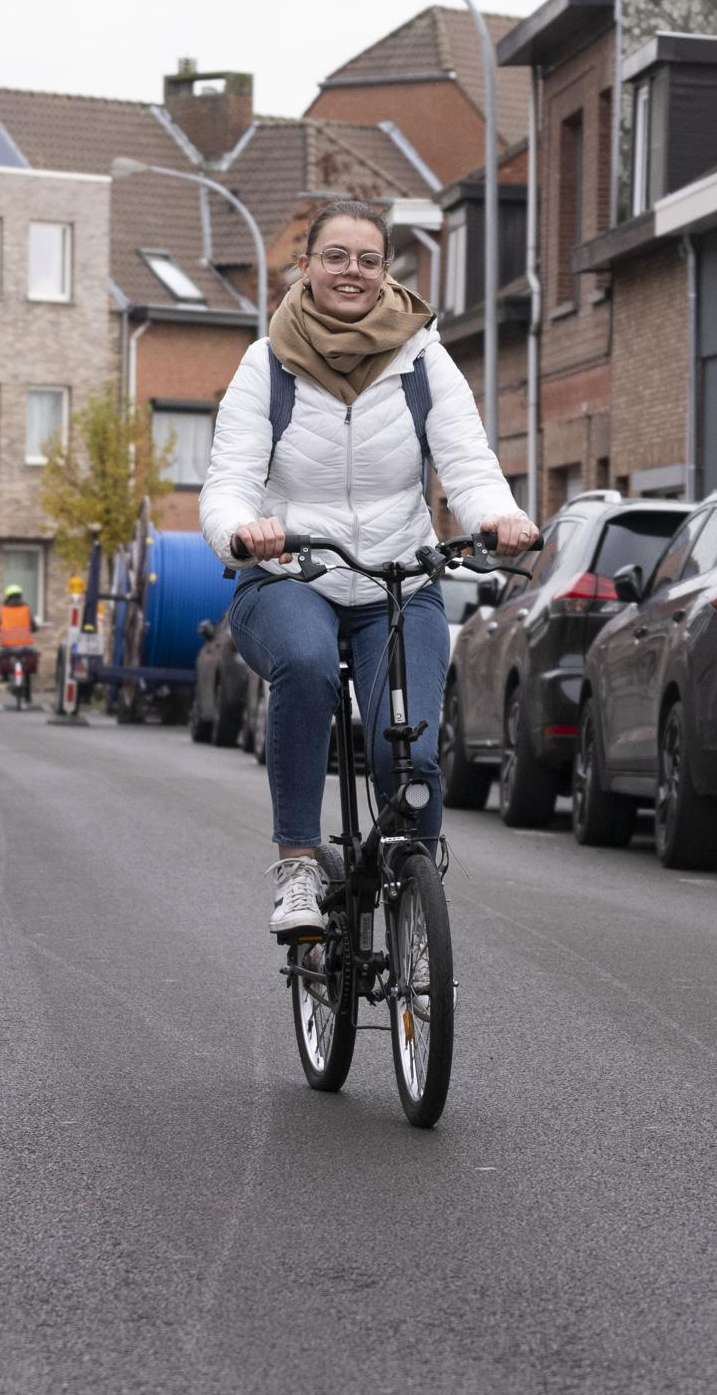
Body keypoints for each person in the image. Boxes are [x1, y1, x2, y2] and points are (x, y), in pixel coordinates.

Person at [200, 200, 538, 938]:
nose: (351, 271)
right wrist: (243, 530)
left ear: (387, 271)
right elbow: (228, 479)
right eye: (335, 257)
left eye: (368, 259)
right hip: (291, 575)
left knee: (410, 747)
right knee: (307, 663)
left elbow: (467, 461)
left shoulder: (423, 358)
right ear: (305, 267)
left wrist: (497, 517)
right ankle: (297, 863)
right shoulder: (267, 363)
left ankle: (411, 881)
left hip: (399, 580)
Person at [0, 584, 39, 706]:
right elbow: (33, 625)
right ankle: (28, 697)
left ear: (7, 596)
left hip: (8, 646)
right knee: (27, 669)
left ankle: (5, 677)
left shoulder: (3, 610)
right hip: (25, 646)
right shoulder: (26, 609)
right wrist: (33, 629)